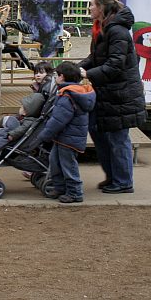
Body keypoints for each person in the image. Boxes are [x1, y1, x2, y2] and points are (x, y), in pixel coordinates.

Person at [79, 0, 147, 194]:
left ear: (101, 7)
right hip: (109, 93)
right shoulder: (103, 28)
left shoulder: (117, 31)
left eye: (92, 4)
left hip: (120, 94)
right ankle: (114, 178)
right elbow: (95, 58)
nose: (89, 8)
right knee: (99, 133)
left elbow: (115, 65)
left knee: (118, 138)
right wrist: (75, 69)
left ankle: (123, 181)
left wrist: (87, 74)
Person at [35, 61, 96, 204]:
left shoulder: (67, 96)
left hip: (68, 138)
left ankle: (75, 192)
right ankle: (60, 187)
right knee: (55, 161)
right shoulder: (75, 92)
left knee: (68, 165)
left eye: (56, 75)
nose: (55, 77)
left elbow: (58, 120)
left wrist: (45, 135)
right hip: (66, 137)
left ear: (61, 77)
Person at [7, 61, 58, 143]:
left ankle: (11, 135)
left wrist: (25, 110)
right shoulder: (43, 86)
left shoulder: (46, 88)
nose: (37, 75)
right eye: (36, 73)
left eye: (41, 73)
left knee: (22, 123)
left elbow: (38, 105)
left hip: (36, 117)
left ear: (48, 74)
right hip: (37, 115)